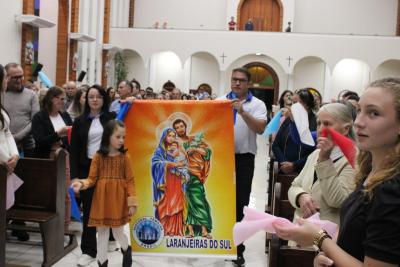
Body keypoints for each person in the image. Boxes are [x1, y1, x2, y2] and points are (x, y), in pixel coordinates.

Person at [273, 78, 400, 267]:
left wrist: (320, 239)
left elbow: (337, 201)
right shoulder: (370, 171)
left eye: (373, 113)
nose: (359, 122)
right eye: (359, 111)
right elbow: (352, 229)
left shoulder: (392, 188)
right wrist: (327, 256)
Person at [218, 67, 267, 266]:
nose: (237, 83)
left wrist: (242, 111)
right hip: (222, 158)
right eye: (234, 79)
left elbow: (260, 129)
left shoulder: (257, 104)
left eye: (241, 80)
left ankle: (238, 248)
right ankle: (220, 243)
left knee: (240, 203)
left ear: (248, 83)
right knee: (221, 200)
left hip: (244, 158)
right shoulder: (220, 101)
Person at [72, 120, 137, 267]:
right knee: (101, 234)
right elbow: (92, 179)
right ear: (108, 136)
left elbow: (130, 181)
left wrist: (132, 202)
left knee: (118, 232)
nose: (121, 140)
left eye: (123, 137)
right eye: (118, 136)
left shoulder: (125, 158)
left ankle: (126, 250)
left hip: (118, 201)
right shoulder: (98, 157)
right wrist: (81, 183)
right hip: (101, 201)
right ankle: (102, 263)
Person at [287, 103, 356, 235]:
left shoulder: (353, 159)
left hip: (328, 239)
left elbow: (337, 200)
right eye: (318, 123)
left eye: (327, 124)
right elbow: (294, 186)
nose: (320, 129)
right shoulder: (315, 155)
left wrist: (324, 160)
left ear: (346, 129)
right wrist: (300, 196)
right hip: (301, 231)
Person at [69, 85, 116, 266]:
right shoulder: (80, 121)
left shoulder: (111, 119)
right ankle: (88, 251)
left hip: (108, 168)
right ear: (86, 100)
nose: (94, 100)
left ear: (104, 99)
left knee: (107, 207)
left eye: (98, 97)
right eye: (91, 97)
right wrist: (74, 177)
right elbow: (73, 152)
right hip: (86, 169)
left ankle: (109, 242)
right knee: (88, 210)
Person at [173, 119, 213, 238]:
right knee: (187, 202)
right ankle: (190, 231)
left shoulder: (194, 140)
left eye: (182, 126)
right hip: (182, 176)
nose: (180, 129)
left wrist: (194, 149)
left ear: (186, 127)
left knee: (198, 199)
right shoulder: (174, 143)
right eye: (177, 127)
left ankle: (204, 230)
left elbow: (207, 152)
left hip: (195, 175)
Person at [272, 88, 317, 174]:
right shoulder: (289, 119)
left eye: (296, 103)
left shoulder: (316, 122)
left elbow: (315, 151)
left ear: (307, 104)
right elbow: (276, 145)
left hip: (306, 171)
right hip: (285, 169)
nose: (293, 106)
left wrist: (295, 165)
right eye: (292, 103)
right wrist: (284, 164)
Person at [151, 128, 186, 236]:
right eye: (169, 136)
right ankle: (164, 229)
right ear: (164, 137)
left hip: (176, 181)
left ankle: (175, 230)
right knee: (166, 205)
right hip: (165, 182)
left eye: (173, 136)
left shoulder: (175, 150)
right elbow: (156, 164)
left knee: (176, 204)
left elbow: (183, 161)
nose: (171, 138)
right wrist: (174, 164)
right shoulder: (159, 151)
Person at [3, 62, 40, 158]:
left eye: (21, 76)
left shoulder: (32, 95)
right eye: (15, 77)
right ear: (6, 77)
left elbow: (35, 121)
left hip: (27, 146)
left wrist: (17, 137)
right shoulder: (1, 94)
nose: (19, 80)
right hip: (4, 144)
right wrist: (9, 138)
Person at [0, 64, 19, 175]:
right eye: (6, 77)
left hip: (6, 164)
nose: (7, 80)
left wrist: (15, 155)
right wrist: (6, 161)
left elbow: (7, 132)